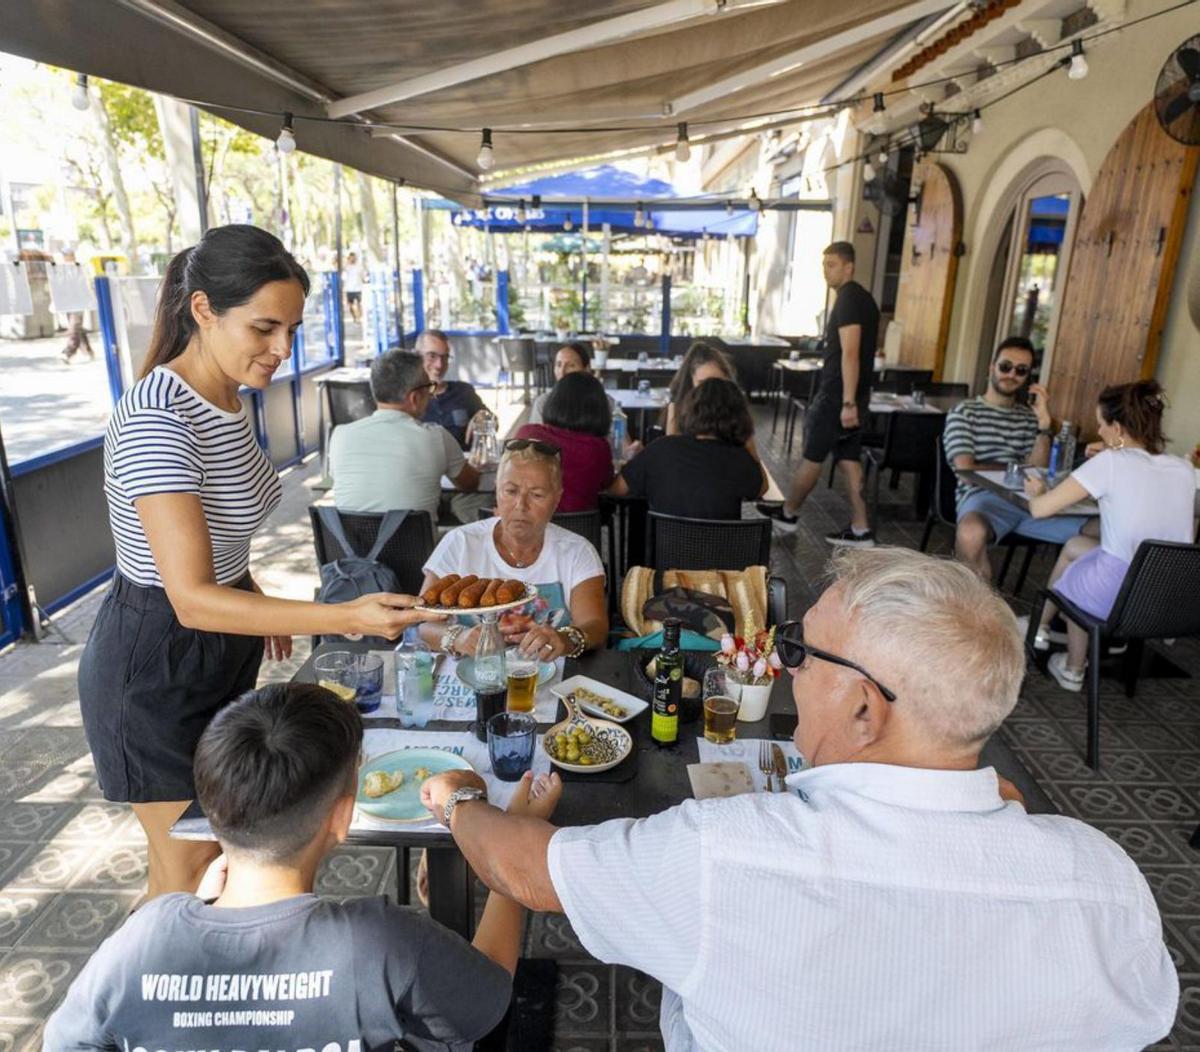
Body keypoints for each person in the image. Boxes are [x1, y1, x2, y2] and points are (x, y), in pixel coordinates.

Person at [420, 547, 1178, 1051]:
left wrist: (459, 800)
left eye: (800, 655)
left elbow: (527, 872)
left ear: (865, 711)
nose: (783, 672)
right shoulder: (1106, 878)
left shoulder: (728, 853)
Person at [77, 225, 432, 900]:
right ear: (204, 309)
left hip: (216, 650)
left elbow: (213, 532)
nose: (282, 350)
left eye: (294, 329)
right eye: (265, 327)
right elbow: (187, 596)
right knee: (190, 872)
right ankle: (132, 998)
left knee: (218, 863)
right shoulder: (158, 416)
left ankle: (166, 993)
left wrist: (252, 589)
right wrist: (343, 614)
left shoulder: (228, 398)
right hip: (154, 667)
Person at [45, 682, 562, 1050]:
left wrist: (197, 907)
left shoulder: (141, 939)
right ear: (342, 818)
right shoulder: (380, 943)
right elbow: (489, 997)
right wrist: (508, 858)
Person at [1022, 381, 1196, 691]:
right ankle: (1042, 626)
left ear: (1116, 427)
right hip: (1174, 599)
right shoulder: (1183, 469)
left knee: (1076, 580)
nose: (1098, 432)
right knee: (1076, 546)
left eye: (1102, 425)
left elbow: (1040, 511)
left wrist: (1037, 490)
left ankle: (1073, 667)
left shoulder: (1110, 463)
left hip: (1122, 597)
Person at [420, 440, 608, 660]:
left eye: (537, 495)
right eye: (511, 491)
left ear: (557, 498)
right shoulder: (460, 542)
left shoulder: (577, 551)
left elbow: (596, 627)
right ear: (497, 492)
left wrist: (566, 639)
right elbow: (424, 626)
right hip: (472, 675)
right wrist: (458, 638)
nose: (521, 505)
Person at [758, 241, 879, 547]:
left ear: (848, 266)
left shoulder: (849, 299)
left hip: (840, 396)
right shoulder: (864, 299)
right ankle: (862, 528)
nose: (826, 271)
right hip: (853, 394)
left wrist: (848, 402)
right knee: (849, 459)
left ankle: (788, 514)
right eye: (824, 264)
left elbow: (850, 353)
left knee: (812, 456)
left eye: (832, 264)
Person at [941, 336, 1087, 579]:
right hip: (984, 498)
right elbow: (966, 471)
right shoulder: (965, 412)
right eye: (1005, 366)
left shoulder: (1028, 418)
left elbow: (1037, 470)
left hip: (1031, 501)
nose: (1011, 375)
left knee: (1101, 531)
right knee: (970, 532)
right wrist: (1020, 468)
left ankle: (1061, 612)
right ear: (992, 368)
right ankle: (975, 611)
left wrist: (1043, 425)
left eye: (1021, 370)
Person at [329, 349, 480, 521]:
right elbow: (470, 484)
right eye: (429, 387)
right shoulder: (436, 437)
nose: (431, 395)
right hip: (420, 547)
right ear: (415, 398)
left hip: (351, 547)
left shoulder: (340, 436)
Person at [610, 377, 767, 519]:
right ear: (739, 416)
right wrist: (751, 447)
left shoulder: (661, 448)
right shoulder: (739, 459)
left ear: (691, 410)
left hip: (666, 549)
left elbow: (617, 490)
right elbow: (762, 489)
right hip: (722, 548)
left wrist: (632, 462)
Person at [515, 372, 614, 512]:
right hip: (580, 530)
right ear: (599, 410)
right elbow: (606, 483)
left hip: (527, 527)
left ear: (554, 402)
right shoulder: (599, 449)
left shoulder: (527, 434)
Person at [417, 329, 490, 449]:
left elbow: (492, 421)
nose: (439, 365)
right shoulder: (408, 399)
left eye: (445, 357)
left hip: (464, 465)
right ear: (416, 356)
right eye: (432, 356)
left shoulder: (463, 391)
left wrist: (485, 417)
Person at [528, 341, 617, 425]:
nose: (562, 372)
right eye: (559, 365)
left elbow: (621, 439)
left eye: (571, 366)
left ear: (586, 369)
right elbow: (535, 439)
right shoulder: (543, 403)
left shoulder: (605, 403)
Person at [664, 341, 735, 436]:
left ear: (727, 381)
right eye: (702, 383)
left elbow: (749, 450)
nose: (709, 388)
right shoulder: (677, 409)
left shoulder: (735, 410)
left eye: (716, 381)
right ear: (691, 382)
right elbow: (672, 448)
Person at [342, 250, 365, 324]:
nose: (353, 259)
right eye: (351, 258)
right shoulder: (346, 267)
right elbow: (339, 267)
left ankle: (359, 317)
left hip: (358, 288)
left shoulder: (359, 267)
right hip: (349, 289)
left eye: (354, 258)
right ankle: (355, 317)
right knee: (350, 305)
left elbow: (363, 277)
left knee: (359, 304)